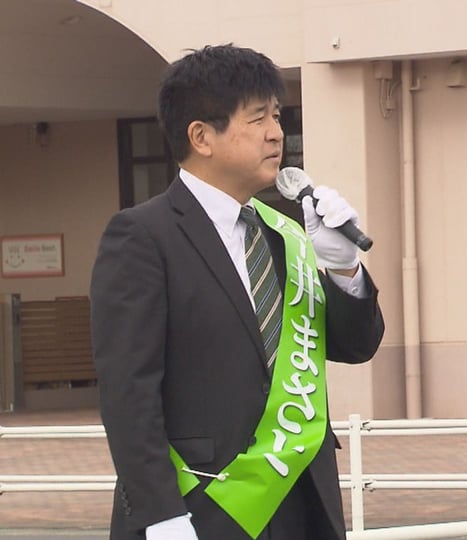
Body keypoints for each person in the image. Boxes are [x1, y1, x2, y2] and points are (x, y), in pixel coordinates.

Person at [90, 44, 384, 540]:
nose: (276, 132)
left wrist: (343, 268)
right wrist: (161, 515)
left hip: (301, 502)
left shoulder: (283, 234)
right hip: (201, 504)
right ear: (201, 136)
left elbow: (356, 346)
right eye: (257, 118)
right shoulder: (142, 236)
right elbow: (128, 392)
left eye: (277, 116)